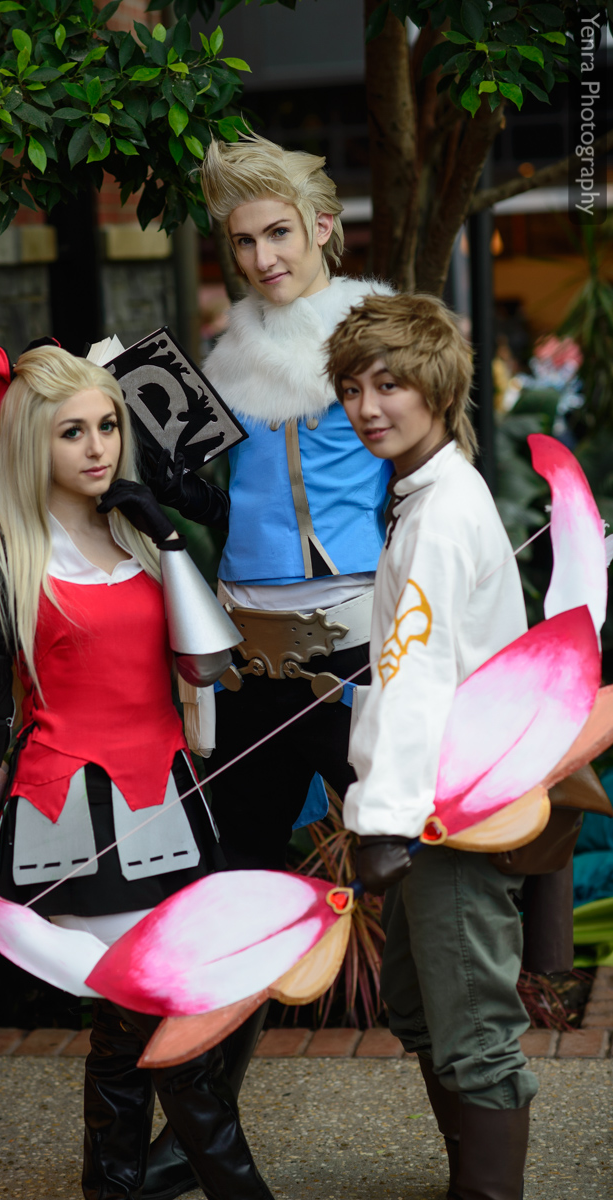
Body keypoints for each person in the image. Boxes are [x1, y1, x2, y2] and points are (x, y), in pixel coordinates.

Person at [0, 343, 276, 1200]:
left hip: (170, 799)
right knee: (171, 1023)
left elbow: (206, 664)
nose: (98, 448)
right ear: (29, 444)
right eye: (72, 432)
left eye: (108, 426)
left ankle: (111, 1185)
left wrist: (167, 536)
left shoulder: (135, 538)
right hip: (76, 815)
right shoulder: (3, 561)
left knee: (130, 1028)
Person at [142, 131, 394, 1200]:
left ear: (323, 228)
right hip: (250, 656)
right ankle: (199, 1136)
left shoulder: (376, 336)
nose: (262, 258)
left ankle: (474, 1111)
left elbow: (425, 477)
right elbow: (220, 494)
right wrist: (172, 494)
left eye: (278, 233)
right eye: (242, 241)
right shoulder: (222, 354)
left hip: (358, 645)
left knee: (411, 875)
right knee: (233, 889)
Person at [327, 293, 538, 1200]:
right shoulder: (425, 495)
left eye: (388, 385)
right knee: (420, 1007)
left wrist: (379, 822)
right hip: (433, 803)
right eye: (350, 389)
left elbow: (414, 681)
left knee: (471, 1030)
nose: (366, 408)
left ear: (438, 388)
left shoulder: (441, 512)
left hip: (446, 810)